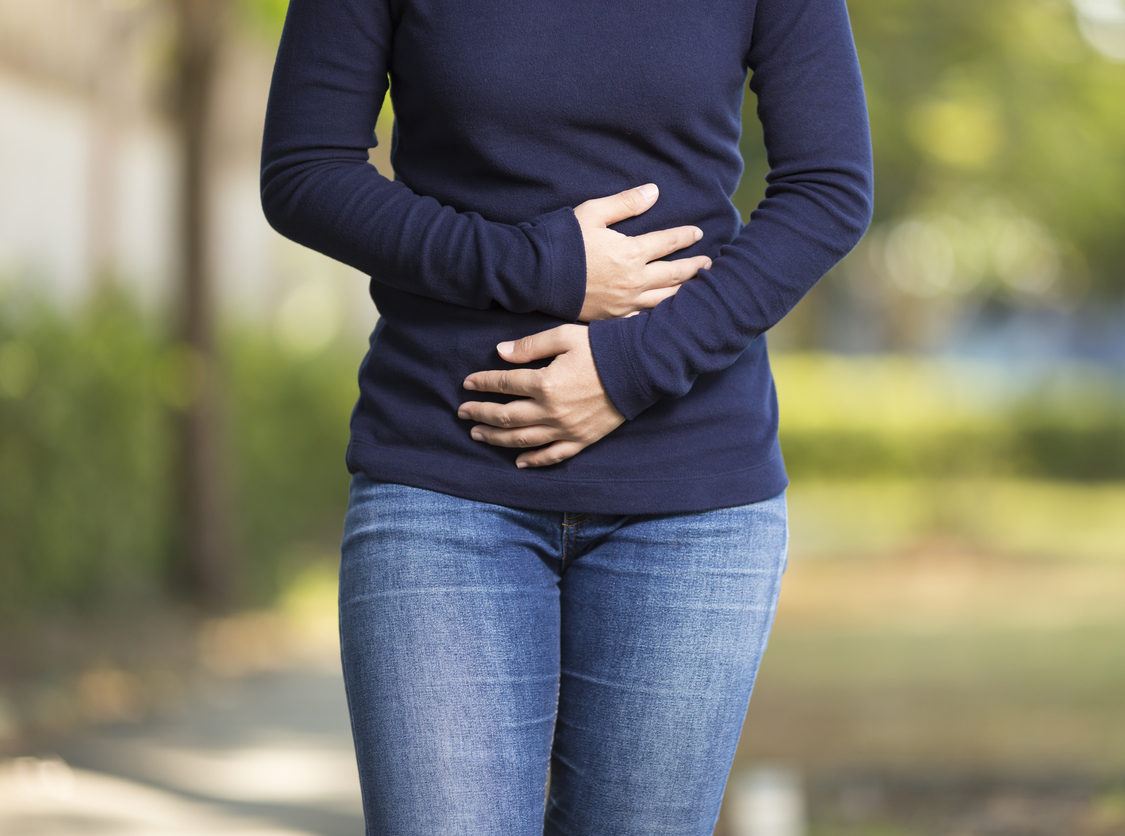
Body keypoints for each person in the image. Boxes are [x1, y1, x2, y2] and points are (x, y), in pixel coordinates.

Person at [260, 0, 872, 832]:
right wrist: (538, 265)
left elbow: (829, 190)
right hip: (446, 473)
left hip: (690, 499)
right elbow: (305, 169)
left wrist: (631, 368)